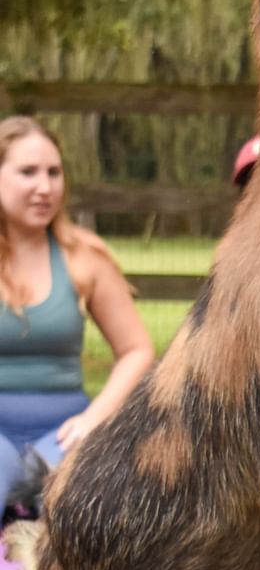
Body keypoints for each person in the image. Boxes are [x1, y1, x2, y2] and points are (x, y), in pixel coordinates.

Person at [0, 116, 155, 520]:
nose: (45, 187)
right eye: (28, 173)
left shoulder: (84, 257)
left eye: (54, 173)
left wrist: (93, 419)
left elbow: (137, 350)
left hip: (65, 430)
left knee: (72, 504)